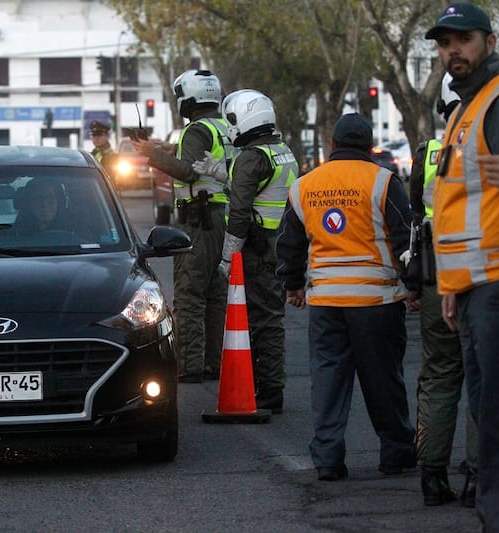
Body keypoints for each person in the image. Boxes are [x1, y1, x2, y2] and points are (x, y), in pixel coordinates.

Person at [425, 5, 499, 530]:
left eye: (462, 40)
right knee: (488, 414)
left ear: (489, 41)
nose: (452, 51)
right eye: (444, 43)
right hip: (470, 288)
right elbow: (458, 205)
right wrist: (449, 285)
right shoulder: (465, 108)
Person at [275, 113, 417, 482]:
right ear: (370, 147)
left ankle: (328, 460)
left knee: (328, 381)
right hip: (376, 302)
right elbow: (406, 240)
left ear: (333, 145)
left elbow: (289, 243)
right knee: (384, 380)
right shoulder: (384, 182)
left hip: (326, 302)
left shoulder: (305, 185)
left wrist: (292, 284)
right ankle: (395, 454)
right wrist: (414, 286)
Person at [132, 69, 233, 382]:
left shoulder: (195, 130)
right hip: (221, 216)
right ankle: (214, 363)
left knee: (190, 294)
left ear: (189, 98)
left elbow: (189, 173)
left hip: (198, 220)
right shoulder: (223, 127)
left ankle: (190, 366)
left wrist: (154, 156)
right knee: (215, 294)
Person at [200, 89, 298, 412]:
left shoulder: (250, 158)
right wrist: (220, 173)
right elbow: (258, 193)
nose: (229, 128)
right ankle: (268, 385)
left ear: (244, 119)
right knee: (270, 318)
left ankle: (269, 389)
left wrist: (228, 257)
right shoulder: (280, 151)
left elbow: (240, 212)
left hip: (257, 253)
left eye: (231, 121)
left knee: (262, 321)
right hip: (279, 247)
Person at [408, 73, 478, 508]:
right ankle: (478, 478)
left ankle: (432, 477)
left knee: (439, 373)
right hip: (484, 270)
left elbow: (416, 208)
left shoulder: (429, 151)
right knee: (484, 377)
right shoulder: (494, 138)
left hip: (437, 272)